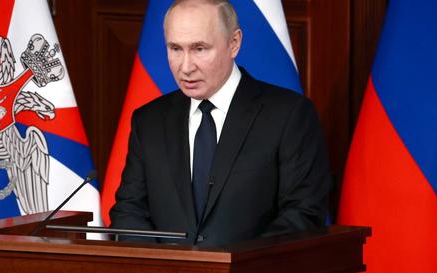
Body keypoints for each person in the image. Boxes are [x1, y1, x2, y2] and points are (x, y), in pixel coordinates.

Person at [110, 0, 331, 247]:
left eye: (199, 49)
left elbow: (303, 214)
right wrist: (163, 272)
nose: (186, 67)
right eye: (175, 49)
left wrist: (229, 270)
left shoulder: (288, 115)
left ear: (234, 43)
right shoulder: (149, 120)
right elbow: (129, 211)